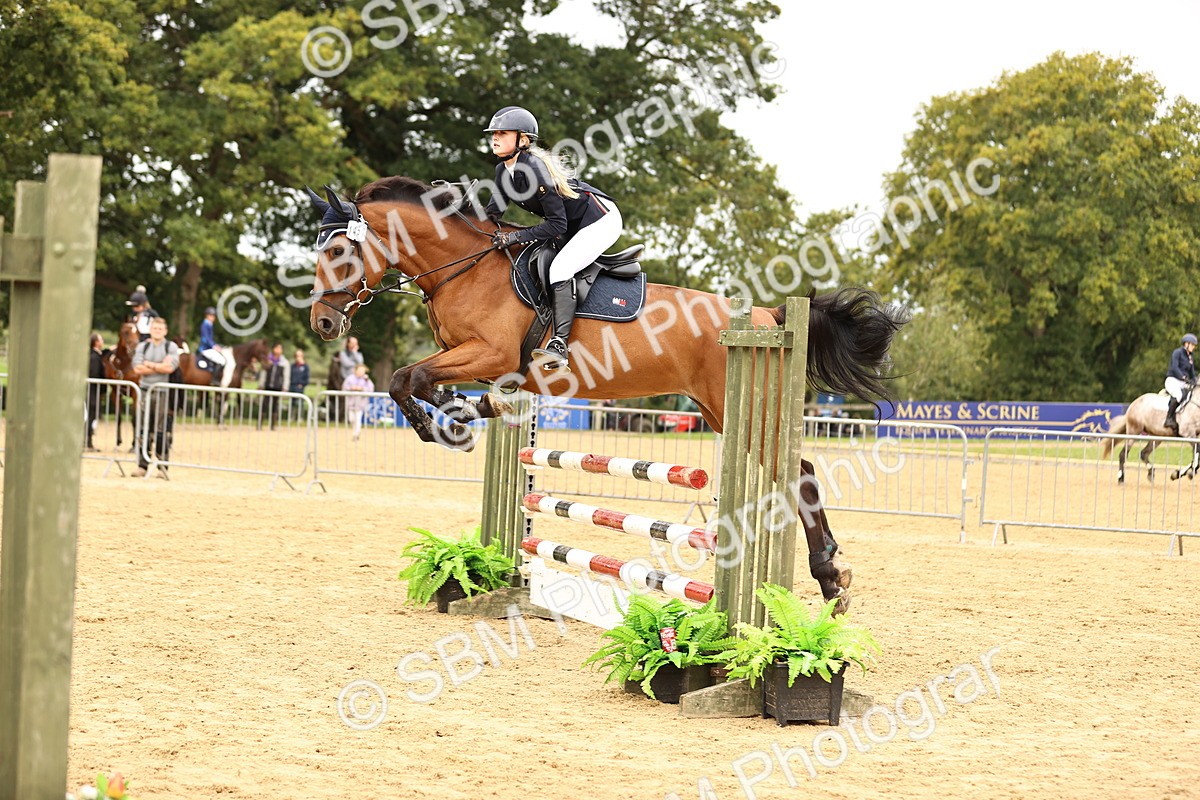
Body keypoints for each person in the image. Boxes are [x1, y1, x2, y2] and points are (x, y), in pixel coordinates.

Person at [483, 105, 624, 372]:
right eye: (494, 133)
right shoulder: (503, 171)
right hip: (572, 223)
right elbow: (491, 216)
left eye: (502, 132)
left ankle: (559, 345)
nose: (495, 138)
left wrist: (515, 236)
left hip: (600, 220)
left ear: (522, 139)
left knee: (560, 268)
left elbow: (557, 224)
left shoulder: (535, 168)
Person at [131, 316, 180, 477]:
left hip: (162, 392)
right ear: (151, 330)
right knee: (143, 429)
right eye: (154, 328)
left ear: (165, 331)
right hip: (144, 391)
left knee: (160, 430)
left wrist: (149, 364)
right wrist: (159, 366)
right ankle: (142, 465)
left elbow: (170, 368)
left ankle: (162, 465)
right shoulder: (143, 346)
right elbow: (137, 369)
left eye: (160, 329)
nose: (157, 331)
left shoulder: (170, 346)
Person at [1164, 333, 1197, 432]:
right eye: (1192, 345)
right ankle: (1169, 419)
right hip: (1172, 380)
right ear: (1186, 344)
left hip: (1183, 383)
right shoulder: (1177, 353)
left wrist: (1195, 381)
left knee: (1191, 397)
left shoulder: (1190, 357)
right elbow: (1174, 367)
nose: (1193, 347)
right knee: (1178, 395)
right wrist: (1182, 377)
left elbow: (1192, 372)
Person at [259, 342, 291, 430]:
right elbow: (263, 373)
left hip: (277, 386)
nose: (278, 350)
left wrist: (285, 387)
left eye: (280, 348)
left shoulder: (284, 363)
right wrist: (261, 384)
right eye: (276, 348)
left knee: (275, 406)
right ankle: (260, 424)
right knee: (264, 405)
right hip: (267, 386)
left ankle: (273, 425)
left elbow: (286, 376)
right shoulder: (268, 360)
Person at [85, 333, 108, 451]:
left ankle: (87, 441)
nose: (103, 341)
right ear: (96, 342)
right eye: (101, 339)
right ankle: (87, 442)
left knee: (91, 415)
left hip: (93, 390)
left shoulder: (95, 355)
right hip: (93, 390)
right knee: (90, 415)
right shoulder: (94, 357)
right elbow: (94, 373)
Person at [342, 363, 374, 441]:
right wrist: (351, 388)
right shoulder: (349, 378)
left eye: (362, 371)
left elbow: (371, 389)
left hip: (360, 403)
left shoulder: (366, 380)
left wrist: (362, 389)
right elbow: (344, 387)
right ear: (355, 370)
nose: (361, 372)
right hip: (351, 403)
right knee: (351, 419)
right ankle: (355, 430)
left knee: (358, 419)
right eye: (359, 370)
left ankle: (356, 433)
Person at [198, 306, 226, 385]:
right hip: (205, 348)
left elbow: (210, 339)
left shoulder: (209, 324)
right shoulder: (205, 324)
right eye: (212, 315)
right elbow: (205, 338)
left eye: (214, 316)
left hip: (208, 347)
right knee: (222, 361)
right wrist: (213, 346)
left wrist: (216, 345)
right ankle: (214, 379)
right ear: (207, 315)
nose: (213, 317)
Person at [289, 349, 310, 416]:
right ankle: (291, 416)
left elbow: (306, 378)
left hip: (300, 388)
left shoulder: (305, 367)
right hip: (292, 387)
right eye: (297, 355)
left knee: (300, 403)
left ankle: (300, 417)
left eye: (300, 355)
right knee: (292, 403)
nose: (298, 357)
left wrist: (302, 384)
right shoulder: (292, 366)